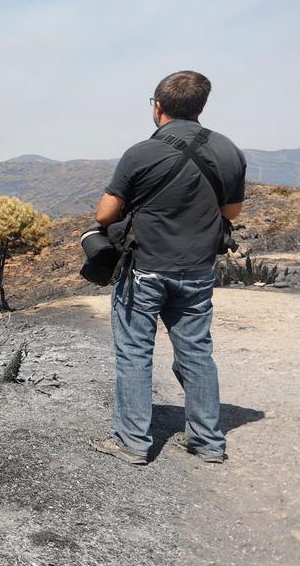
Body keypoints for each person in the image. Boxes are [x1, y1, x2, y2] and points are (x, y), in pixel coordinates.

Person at [90, 70, 245, 465]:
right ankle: (208, 443)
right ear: (201, 107)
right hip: (197, 270)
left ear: (157, 106)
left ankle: (132, 443)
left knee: (135, 354)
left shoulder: (141, 152)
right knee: (196, 352)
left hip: (144, 268)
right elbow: (231, 211)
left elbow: (105, 213)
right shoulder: (229, 151)